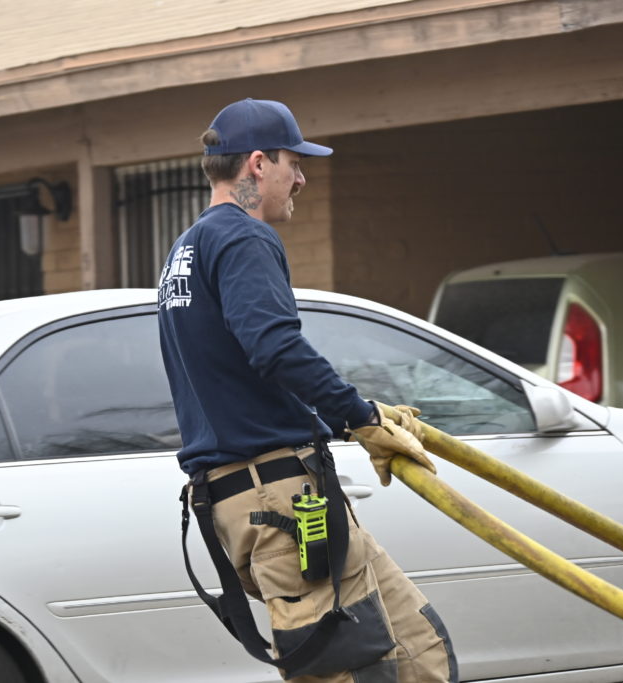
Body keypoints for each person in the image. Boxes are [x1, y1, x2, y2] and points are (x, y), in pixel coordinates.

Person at [158, 98, 457, 683]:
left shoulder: (187, 249)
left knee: (419, 653)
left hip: (254, 497)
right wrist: (359, 416)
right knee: (357, 672)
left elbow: (240, 366)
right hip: (279, 500)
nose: (301, 179)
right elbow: (274, 348)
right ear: (257, 164)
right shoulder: (244, 237)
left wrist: (358, 413)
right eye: (293, 163)